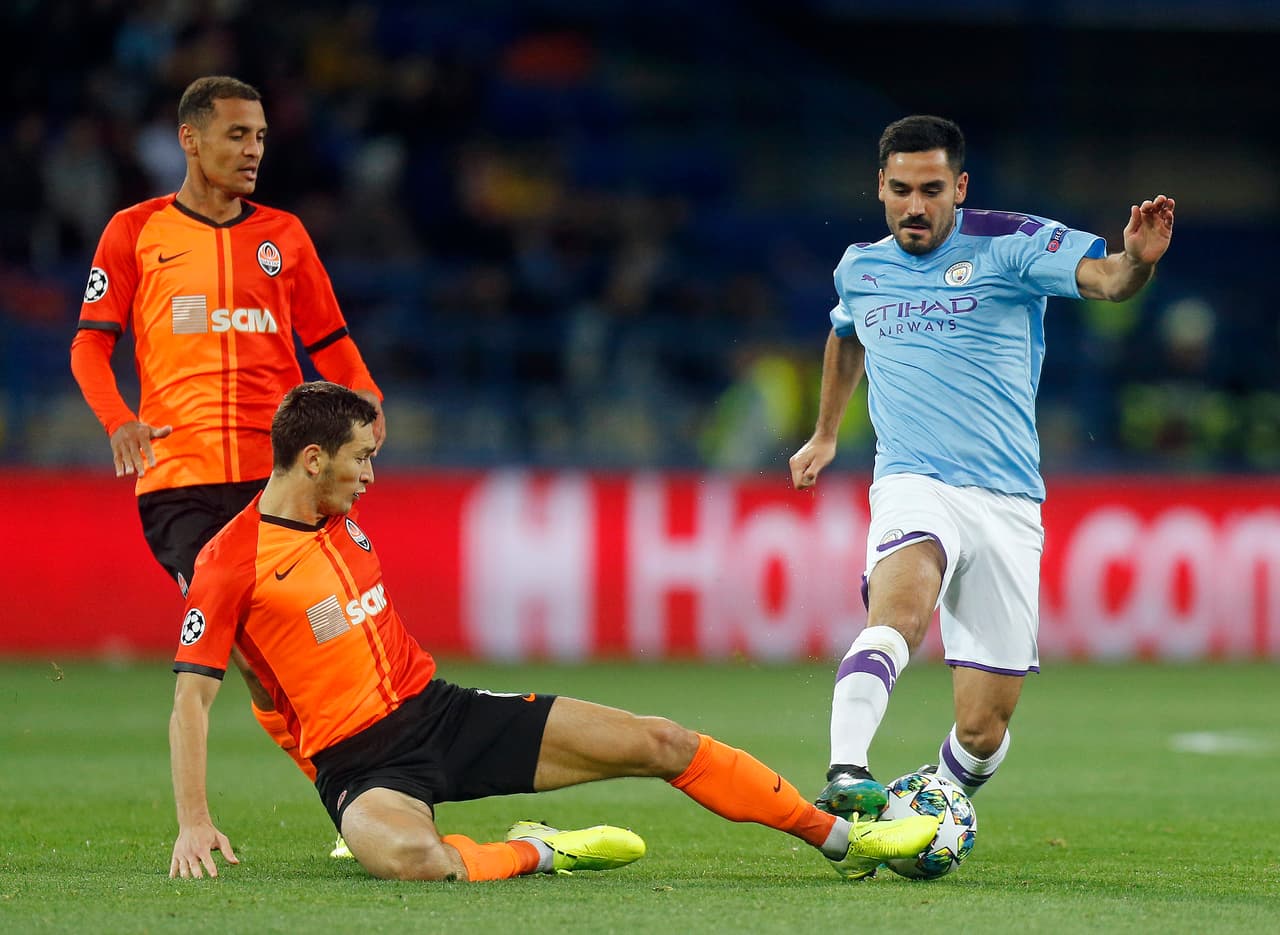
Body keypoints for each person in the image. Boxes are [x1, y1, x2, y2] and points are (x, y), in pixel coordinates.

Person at [168, 382, 941, 882]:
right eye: (361, 460)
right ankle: (544, 848)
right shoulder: (228, 562)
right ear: (312, 461)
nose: (371, 476)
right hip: (359, 768)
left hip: (441, 713)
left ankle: (840, 838)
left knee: (659, 739)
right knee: (412, 859)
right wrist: (196, 821)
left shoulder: (341, 517)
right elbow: (194, 703)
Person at [788, 116, 1174, 839]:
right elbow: (846, 336)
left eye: (931, 189)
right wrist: (826, 433)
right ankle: (846, 771)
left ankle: (933, 801)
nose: (914, 206)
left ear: (958, 188)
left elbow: (1110, 280)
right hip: (913, 480)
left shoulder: (1013, 241)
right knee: (899, 610)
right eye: (900, 189)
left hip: (1005, 500)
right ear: (880, 186)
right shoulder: (859, 267)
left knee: (984, 726)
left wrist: (1138, 260)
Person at [69, 76, 385, 856]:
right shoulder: (134, 232)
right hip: (182, 485)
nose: (253, 151)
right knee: (250, 654)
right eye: (237, 135)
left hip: (284, 477)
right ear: (190, 139)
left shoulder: (285, 235)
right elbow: (89, 342)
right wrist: (119, 419)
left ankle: (370, 798)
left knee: (331, 642)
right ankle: (352, 802)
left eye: (261, 138)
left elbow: (332, 342)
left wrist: (368, 397)